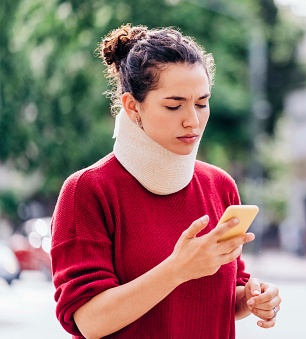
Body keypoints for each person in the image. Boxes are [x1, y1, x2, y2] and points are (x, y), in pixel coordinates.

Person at [50, 24, 281, 339]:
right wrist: (177, 270)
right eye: (174, 105)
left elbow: (225, 294)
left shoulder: (220, 185)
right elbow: (89, 322)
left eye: (201, 103)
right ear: (133, 107)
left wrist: (252, 298)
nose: (193, 120)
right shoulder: (88, 190)